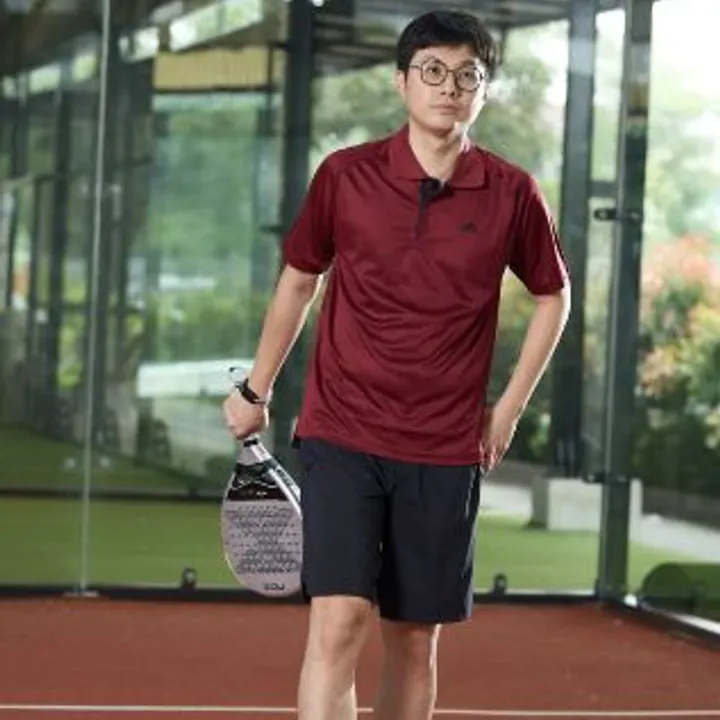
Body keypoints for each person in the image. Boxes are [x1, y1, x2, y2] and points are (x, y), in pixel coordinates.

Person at [223, 9, 570, 720]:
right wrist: (255, 390)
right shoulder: (344, 176)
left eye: (468, 75)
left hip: (444, 446)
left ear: (484, 91)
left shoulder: (512, 192)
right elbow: (299, 280)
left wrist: (506, 412)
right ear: (401, 82)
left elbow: (553, 297)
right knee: (338, 621)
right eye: (432, 71)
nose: (450, 87)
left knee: (414, 639)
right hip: (342, 432)